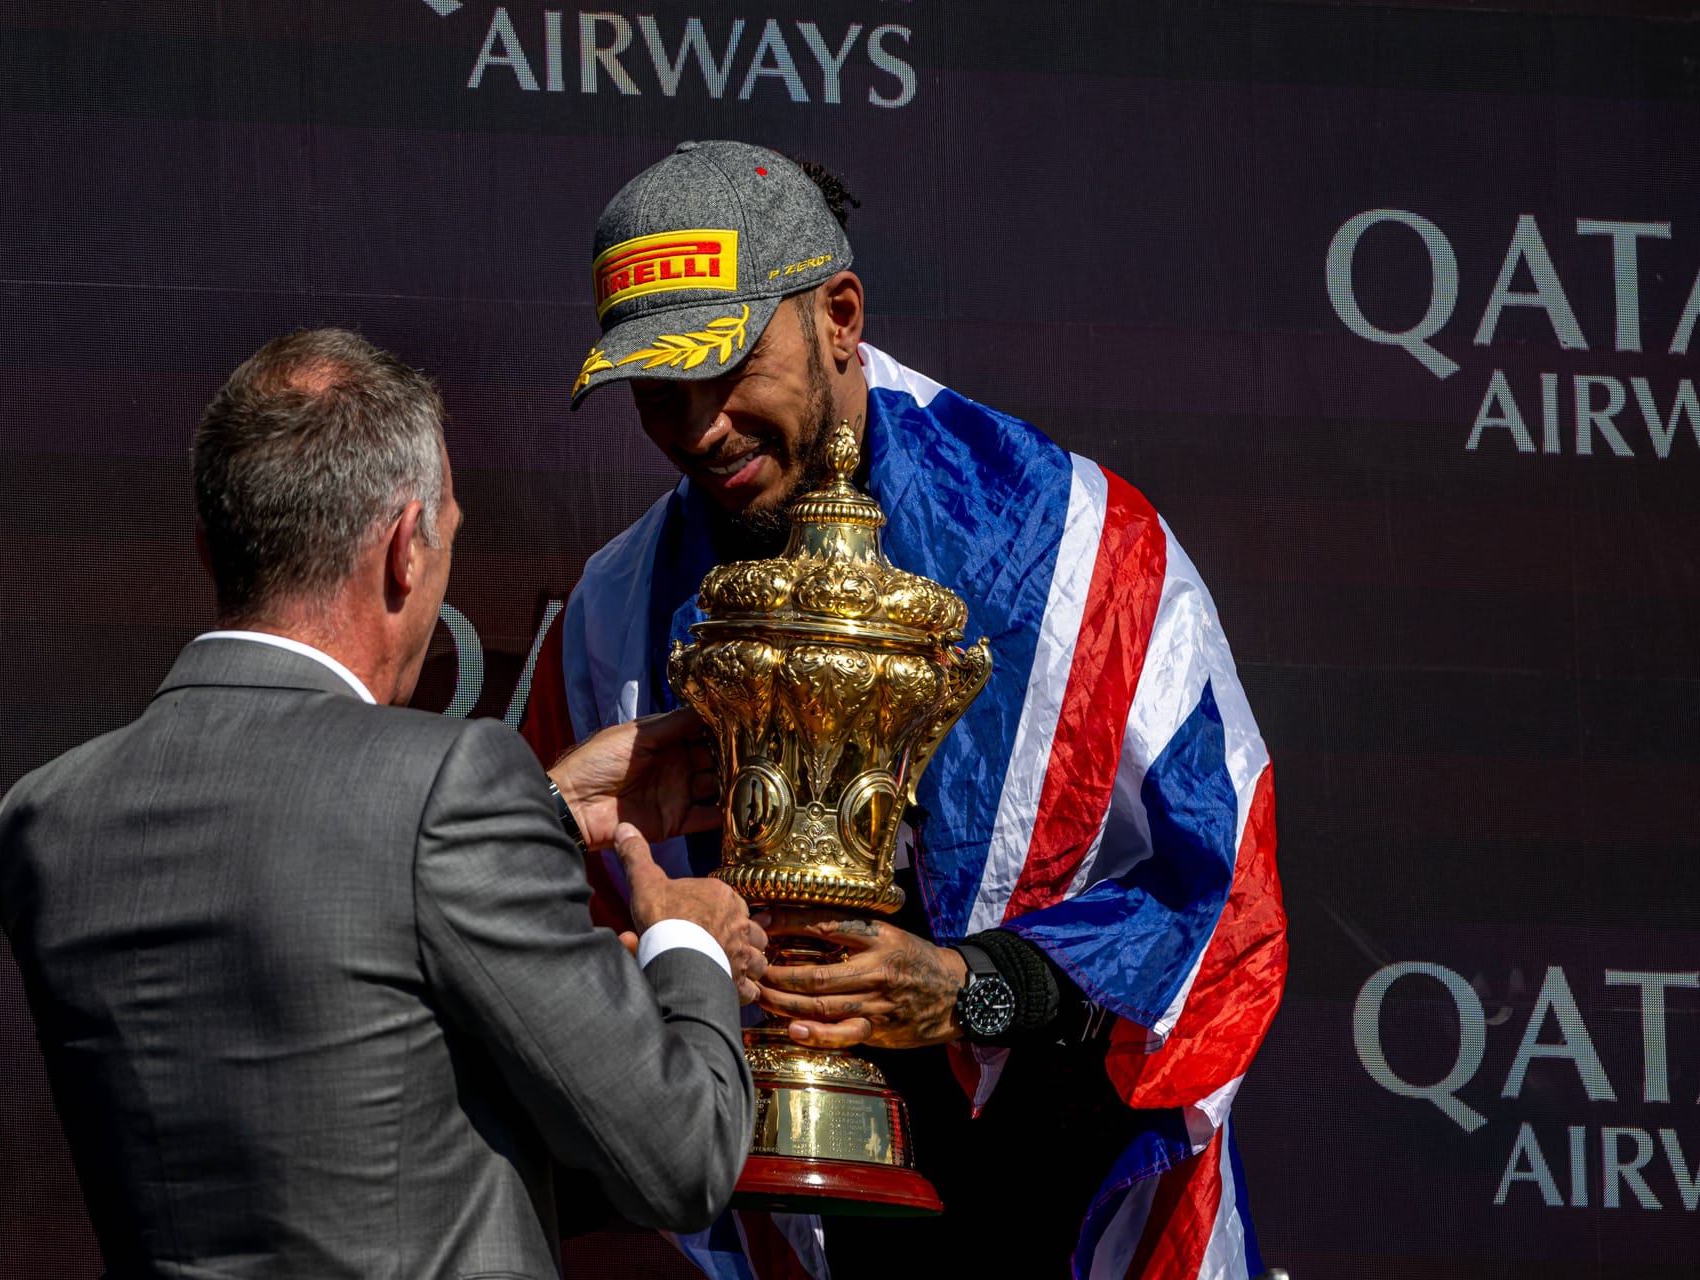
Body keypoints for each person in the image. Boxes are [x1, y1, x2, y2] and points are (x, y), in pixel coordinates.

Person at [524, 142, 1289, 1278]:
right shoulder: (613, 615)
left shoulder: (1076, 554)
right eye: (656, 390)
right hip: (793, 1215)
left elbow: (1226, 900)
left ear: (839, 315)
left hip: (1062, 1211)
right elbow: (514, 965)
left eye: (726, 367)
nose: (697, 428)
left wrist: (972, 987)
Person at [0, 329, 768, 1280]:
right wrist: (692, 944)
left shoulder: (44, 823)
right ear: (404, 549)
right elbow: (678, 1159)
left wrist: (546, 816)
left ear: (209, 549)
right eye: (449, 538)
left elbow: (336, 1033)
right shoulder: (450, 783)